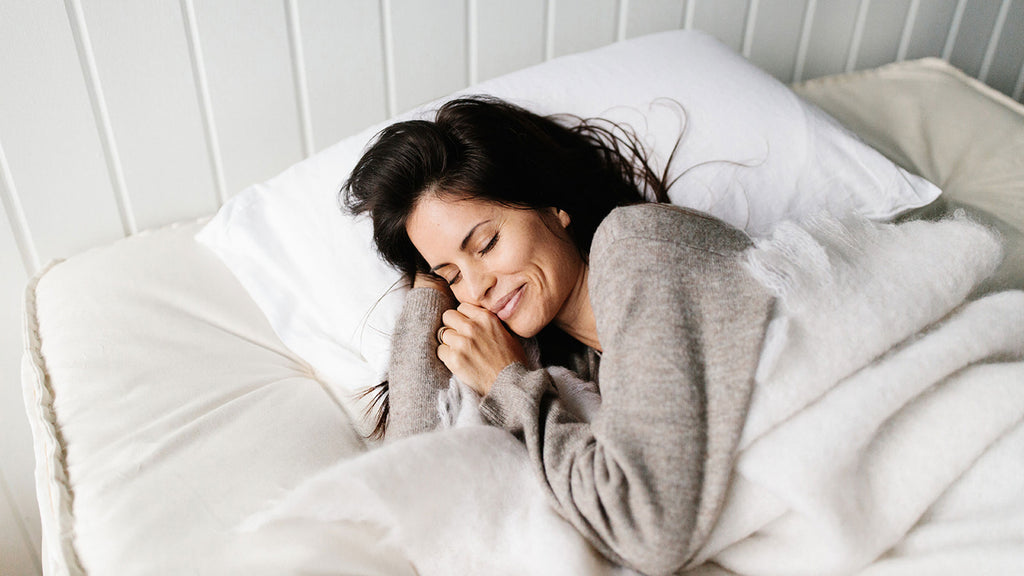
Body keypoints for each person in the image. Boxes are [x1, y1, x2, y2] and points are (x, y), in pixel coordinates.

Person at [341, 96, 773, 575]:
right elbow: (415, 491)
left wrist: (512, 383)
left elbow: (648, 528)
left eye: (486, 244)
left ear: (552, 204)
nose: (477, 287)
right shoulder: (579, 368)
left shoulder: (637, 245)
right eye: (453, 275)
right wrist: (428, 289)